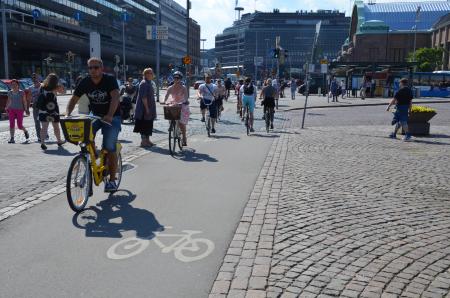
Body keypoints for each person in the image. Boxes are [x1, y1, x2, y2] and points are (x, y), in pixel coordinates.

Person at [67, 57, 121, 192]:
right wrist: (67, 113)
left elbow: (115, 97)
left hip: (112, 116)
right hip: (95, 115)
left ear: (102, 68)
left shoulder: (109, 80)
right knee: (85, 137)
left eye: (96, 67)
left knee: (110, 146)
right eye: (90, 68)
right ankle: (92, 156)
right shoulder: (85, 82)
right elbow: (73, 99)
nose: (93, 70)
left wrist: (109, 115)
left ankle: (112, 181)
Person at [37, 73, 64, 150]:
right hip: (53, 110)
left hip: (43, 110)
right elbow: (63, 92)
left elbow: (39, 95)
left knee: (44, 127)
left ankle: (42, 142)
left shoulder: (42, 86)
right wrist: (60, 84)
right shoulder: (56, 87)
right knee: (56, 126)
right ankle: (59, 141)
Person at [164, 71, 190, 146]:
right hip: (174, 104)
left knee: (182, 123)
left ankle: (184, 137)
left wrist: (185, 101)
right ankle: (172, 125)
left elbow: (186, 97)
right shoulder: (170, 87)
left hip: (182, 105)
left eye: (178, 78)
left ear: (180, 79)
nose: (176, 79)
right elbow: (166, 96)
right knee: (168, 112)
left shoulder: (183, 87)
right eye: (175, 77)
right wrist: (165, 101)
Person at [133, 68, 157, 147]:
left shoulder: (149, 82)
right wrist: (147, 108)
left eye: (152, 73)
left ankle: (148, 140)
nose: (151, 74)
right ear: (145, 74)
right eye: (149, 73)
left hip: (149, 107)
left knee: (149, 124)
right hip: (143, 108)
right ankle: (143, 141)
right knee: (144, 124)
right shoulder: (144, 83)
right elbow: (143, 97)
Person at [6, 79, 30, 143]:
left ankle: (25, 131)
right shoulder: (10, 92)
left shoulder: (21, 92)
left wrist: (26, 109)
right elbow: (9, 101)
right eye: (12, 84)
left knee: (19, 125)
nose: (14, 86)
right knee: (11, 124)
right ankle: (12, 138)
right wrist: (6, 108)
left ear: (18, 85)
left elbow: (24, 101)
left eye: (15, 84)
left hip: (20, 110)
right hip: (11, 109)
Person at [28, 73, 42, 141]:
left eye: (35, 77)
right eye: (33, 78)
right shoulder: (30, 88)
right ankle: (39, 136)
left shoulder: (42, 86)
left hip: (43, 106)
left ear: (38, 78)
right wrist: (27, 108)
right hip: (35, 106)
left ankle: (45, 134)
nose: (34, 79)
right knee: (37, 122)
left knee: (44, 121)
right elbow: (29, 98)